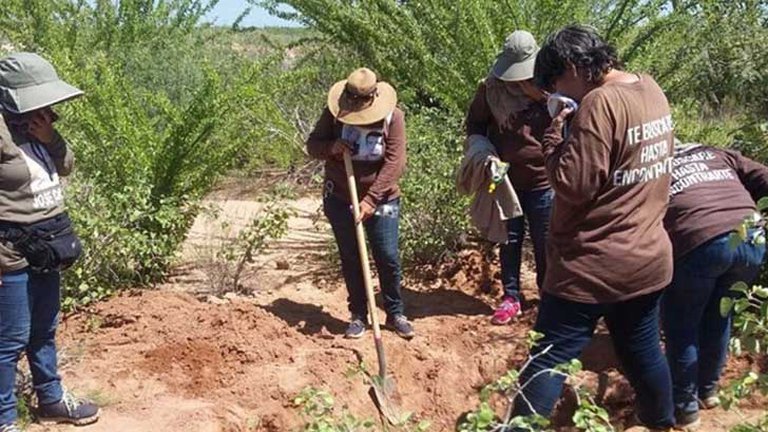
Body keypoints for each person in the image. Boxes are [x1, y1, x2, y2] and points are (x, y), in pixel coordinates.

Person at [511, 26, 676, 431]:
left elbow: (572, 186)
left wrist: (553, 135)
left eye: (555, 82)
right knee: (642, 350)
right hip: (647, 259)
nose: (556, 91)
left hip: (592, 265)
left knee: (548, 357)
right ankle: (663, 423)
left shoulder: (599, 104)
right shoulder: (650, 88)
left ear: (573, 67)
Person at [0, 53, 100, 431]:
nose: (47, 107)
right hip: (7, 250)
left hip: (48, 242)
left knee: (44, 329)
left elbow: (67, 165)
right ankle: (5, 419)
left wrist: (51, 138)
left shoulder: (38, 124)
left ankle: (52, 399)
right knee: (9, 338)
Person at [663, 141, 768, 428]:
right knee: (721, 314)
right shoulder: (716, 152)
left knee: (681, 326)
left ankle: (685, 409)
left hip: (700, 240)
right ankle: (708, 391)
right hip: (751, 238)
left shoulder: (652, 166)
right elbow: (764, 178)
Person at [306, 67, 414, 340]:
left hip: (382, 199)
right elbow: (313, 145)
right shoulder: (335, 114)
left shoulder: (394, 117)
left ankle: (395, 312)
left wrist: (370, 199)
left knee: (387, 256)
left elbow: (395, 163)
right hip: (340, 196)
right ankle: (358, 315)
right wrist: (332, 147)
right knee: (352, 256)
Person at [465, 30, 552, 325]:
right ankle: (511, 296)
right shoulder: (491, 89)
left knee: (545, 240)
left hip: (545, 180)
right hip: (505, 178)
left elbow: (573, 125)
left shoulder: (552, 87)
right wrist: (482, 151)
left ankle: (548, 297)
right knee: (510, 239)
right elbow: (475, 125)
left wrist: (544, 99)